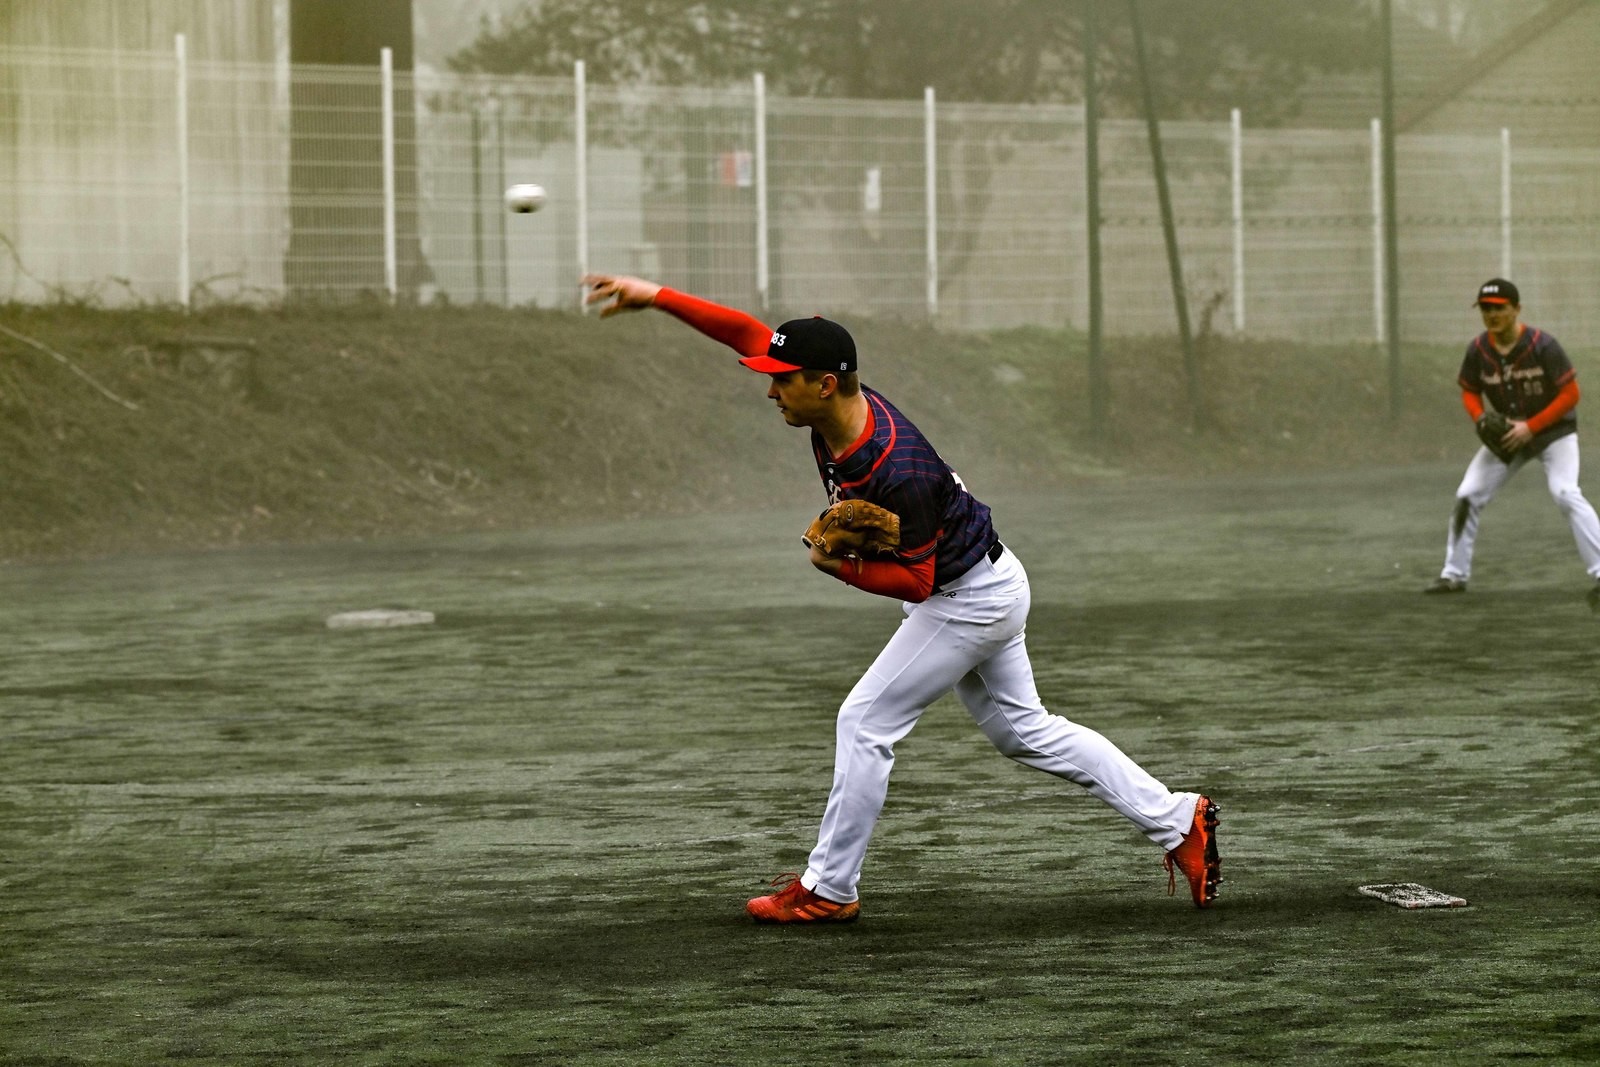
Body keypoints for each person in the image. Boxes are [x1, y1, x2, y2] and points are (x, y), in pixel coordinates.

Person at [581, 272, 1222, 922]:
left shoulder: (897, 469)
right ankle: (1177, 818)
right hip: (984, 583)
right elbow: (745, 331)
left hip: (966, 600)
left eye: (783, 377)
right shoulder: (838, 407)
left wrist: (837, 566)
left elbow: (915, 583)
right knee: (1025, 733)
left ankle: (829, 888)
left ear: (824, 382)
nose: (770, 387)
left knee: (864, 722)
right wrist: (655, 295)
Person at [1425, 278, 1600, 612]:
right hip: (1508, 435)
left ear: (1516, 309)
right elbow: (1469, 388)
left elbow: (1571, 394)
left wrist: (1531, 427)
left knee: (1565, 492)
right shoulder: (1479, 350)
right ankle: (1454, 575)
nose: (1492, 315)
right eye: (1486, 309)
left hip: (1553, 433)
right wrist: (1479, 417)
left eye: (1499, 308)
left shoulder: (1543, 346)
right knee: (1467, 495)